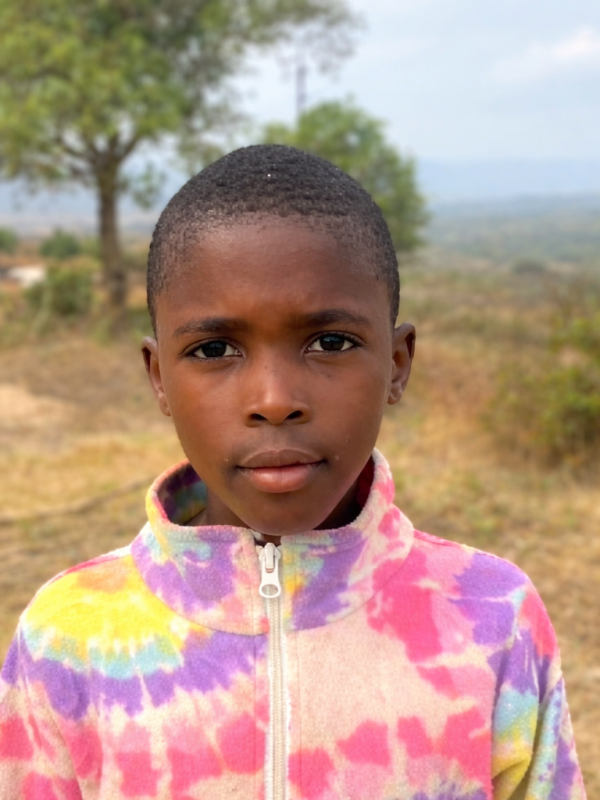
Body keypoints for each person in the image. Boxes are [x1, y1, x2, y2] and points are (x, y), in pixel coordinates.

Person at [0, 145, 585, 800]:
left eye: (330, 342)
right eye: (214, 349)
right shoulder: (68, 640)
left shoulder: (491, 618)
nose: (274, 399)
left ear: (396, 364)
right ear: (159, 377)